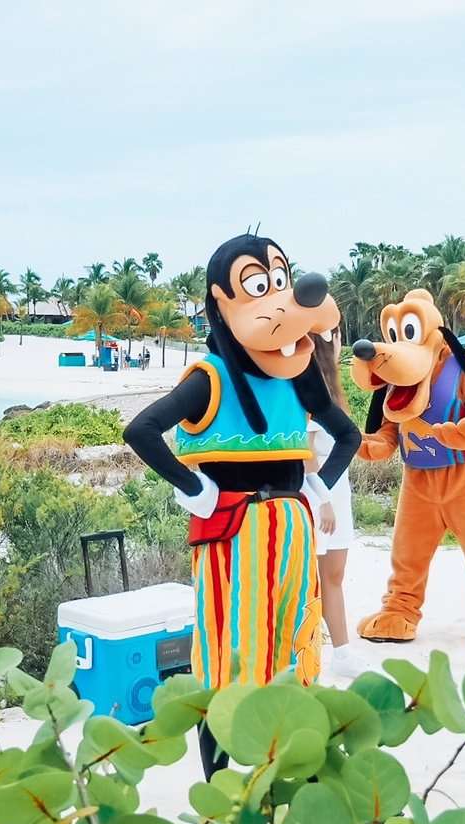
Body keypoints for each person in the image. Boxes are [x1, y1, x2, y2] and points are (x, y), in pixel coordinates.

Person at [123, 233, 358, 784]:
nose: (276, 295)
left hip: (293, 529)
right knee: (228, 660)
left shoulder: (297, 375)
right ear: (222, 301)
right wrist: (193, 487)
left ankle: (289, 777)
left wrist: (318, 487)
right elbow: (143, 430)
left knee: (295, 652)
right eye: (258, 284)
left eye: (279, 280)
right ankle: (224, 792)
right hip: (234, 532)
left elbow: (347, 435)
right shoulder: (211, 377)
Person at [306, 328, 367, 681]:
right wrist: (323, 499)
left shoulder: (331, 389)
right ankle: (310, 647)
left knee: (334, 574)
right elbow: (307, 455)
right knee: (311, 578)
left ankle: (341, 651)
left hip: (336, 492)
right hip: (318, 494)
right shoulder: (307, 390)